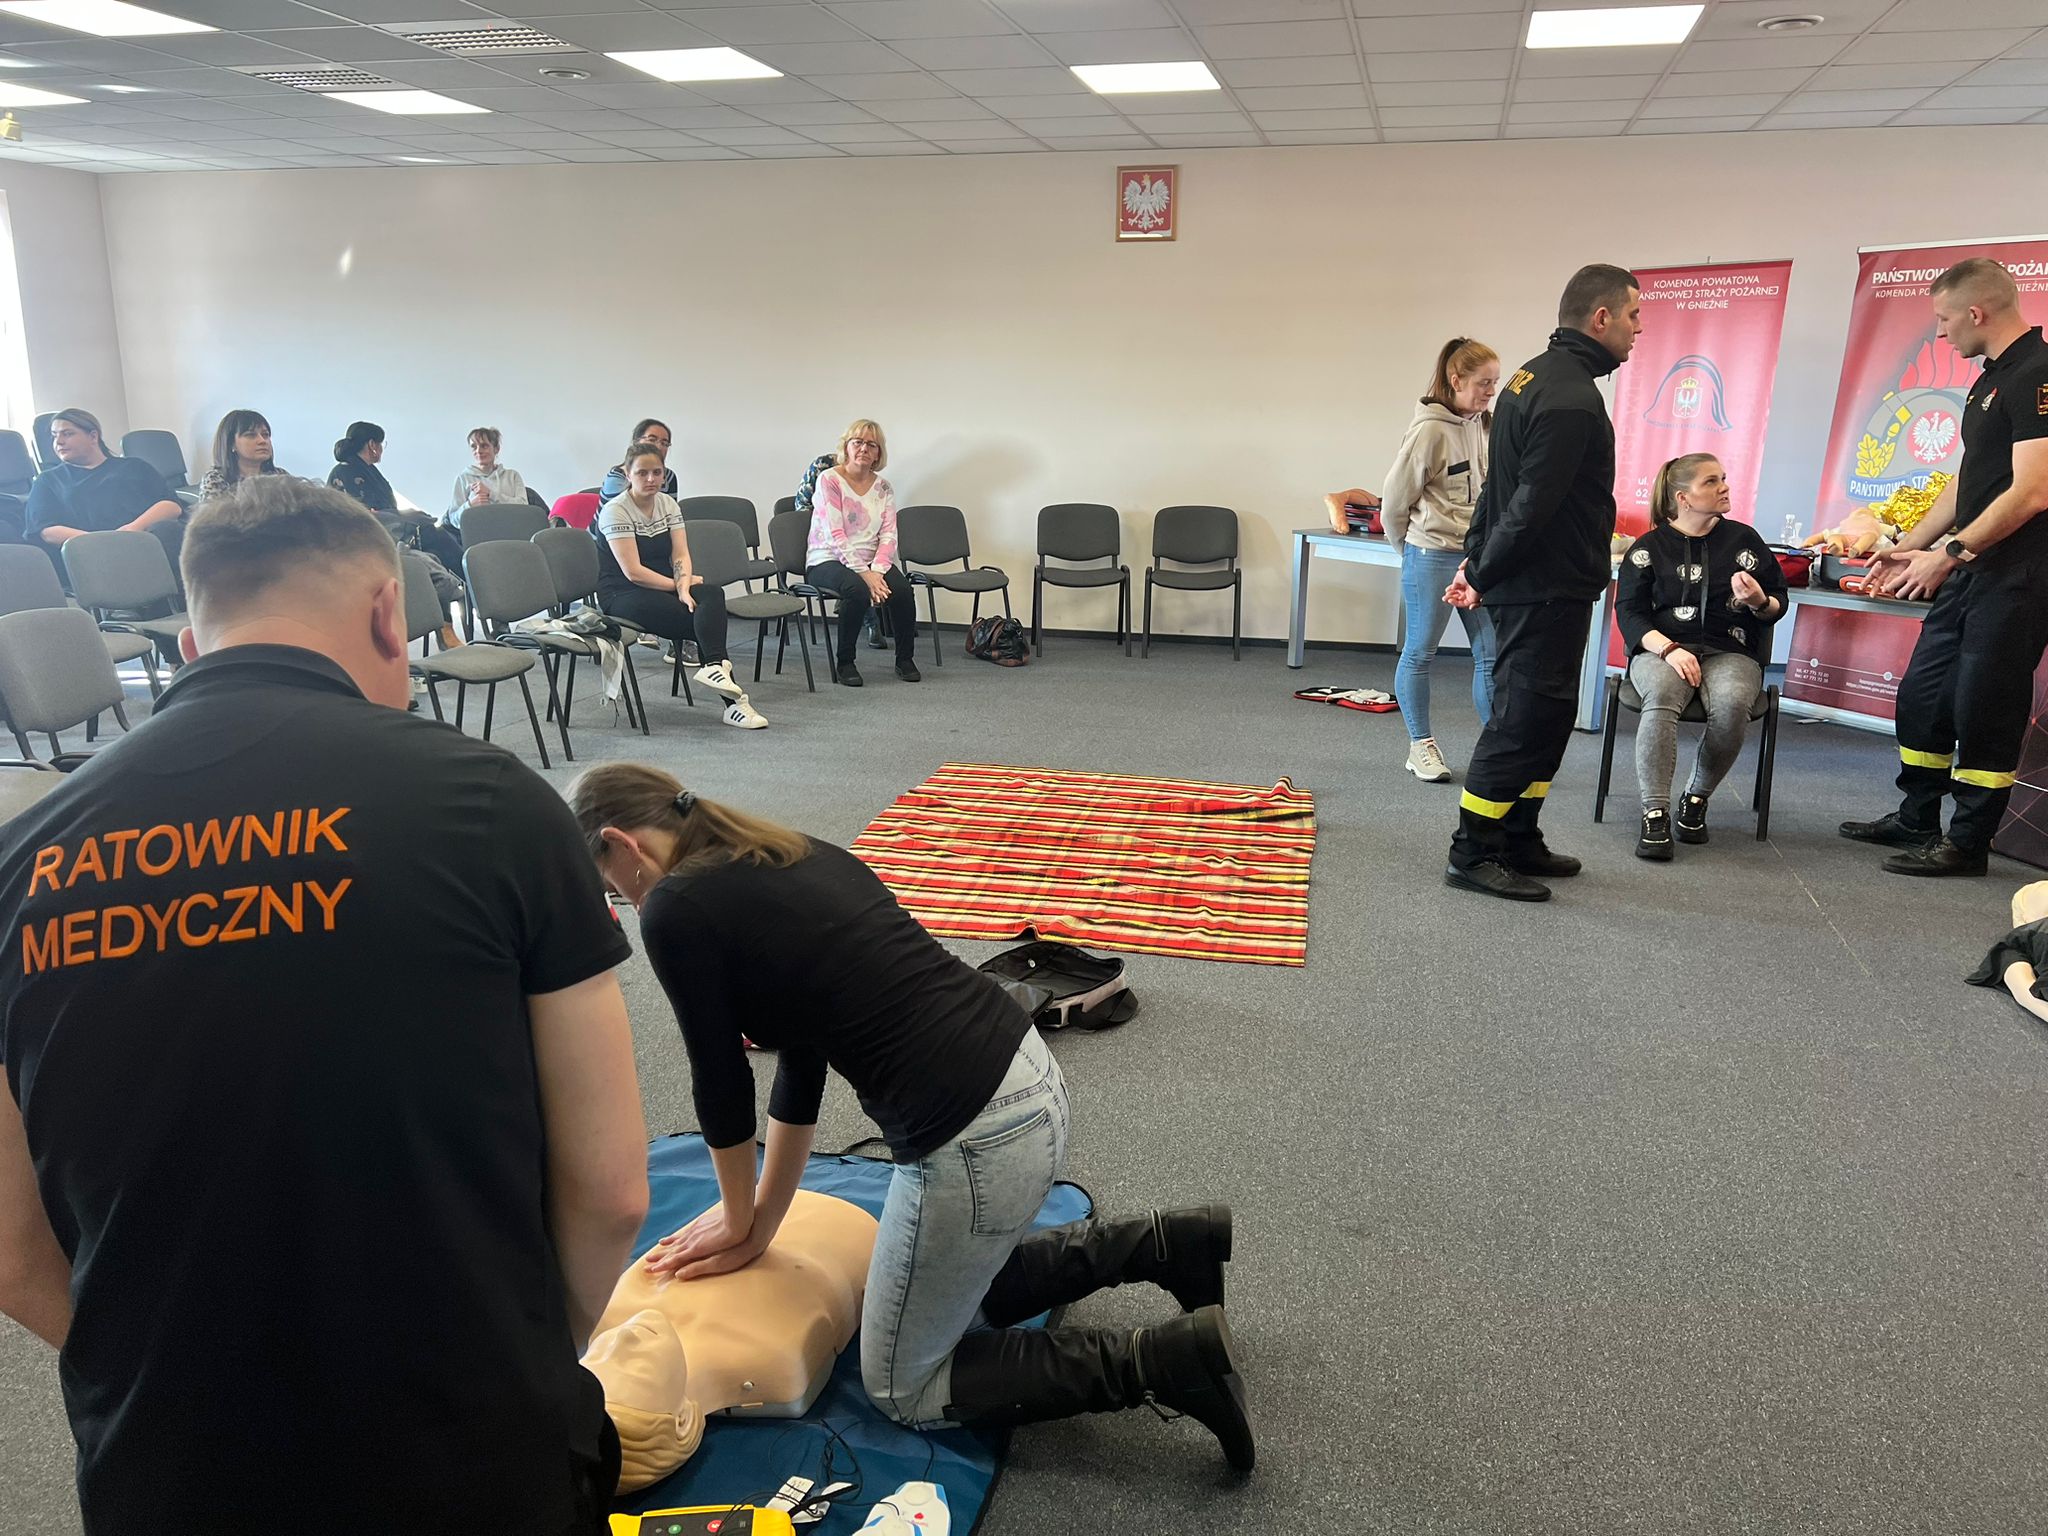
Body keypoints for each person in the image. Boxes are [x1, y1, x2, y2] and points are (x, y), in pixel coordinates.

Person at [0, 476, 649, 1535]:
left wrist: (166, 1380)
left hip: (169, 1465)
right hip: (460, 1445)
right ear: (389, 613)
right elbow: (612, 1188)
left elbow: (9, 1243)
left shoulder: (18, 859)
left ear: (194, 630)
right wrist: (536, 1357)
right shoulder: (492, 805)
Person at [568, 764, 1254, 1472]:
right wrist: (759, 1220)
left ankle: (1168, 1363)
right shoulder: (783, 850)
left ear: (622, 844)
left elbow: (720, 1082)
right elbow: (801, 1064)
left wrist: (739, 1220)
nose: (624, 900)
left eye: (613, 885)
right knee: (940, 1293)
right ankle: (1167, 1246)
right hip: (1029, 1082)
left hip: (977, 1141)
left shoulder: (674, 907)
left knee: (904, 1384)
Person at [1840, 258, 2048, 877]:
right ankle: (1917, 818)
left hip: (2019, 576)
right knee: (1924, 696)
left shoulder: (2038, 374)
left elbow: (2034, 490)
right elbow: (1968, 480)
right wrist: (1909, 544)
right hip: (1972, 568)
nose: (1939, 332)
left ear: (1976, 312)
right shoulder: (1991, 380)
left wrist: (1950, 555)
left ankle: (1967, 843)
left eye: (1944, 318)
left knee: (1985, 705)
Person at [1443, 264, 1643, 902]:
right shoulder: (1570, 396)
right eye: (1633, 315)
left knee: (1549, 718)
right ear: (1601, 318)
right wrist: (1481, 568)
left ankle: (1518, 836)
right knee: (1520, 721)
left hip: (1548, 585)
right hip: (1543, 588)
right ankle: (1473, 852)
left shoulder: (1533, 377)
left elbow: (1497, 488)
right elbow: (1530, 503)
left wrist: (1477, 558)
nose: (1639, 329)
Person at [1341, 338, 1500, 783]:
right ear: (1456, 380)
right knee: (1421, 651)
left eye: (1495, 382)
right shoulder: (1429, 431)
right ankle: (1420, 746)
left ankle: (1498, 749)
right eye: (1483, 383)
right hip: (1431, 553)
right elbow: (1394, 502)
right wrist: (1409, 552)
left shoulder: (1484, 425)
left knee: (1490, 653)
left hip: (1476, 557)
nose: (1491, 391)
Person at [1615, 454, 1786, 859]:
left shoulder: (1745, 540)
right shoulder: (1648, 548)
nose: (1724, 486)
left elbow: (1778, 601)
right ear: (1683, 498)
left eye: (1723, 478)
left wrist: (1759, 601)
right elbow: (1629, 613)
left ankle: (1695, 799)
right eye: (1711, 481)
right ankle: (1655, 813)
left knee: (1733, 702)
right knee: (1661, 694)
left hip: (1730, 649)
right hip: (1662, 649)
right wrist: (1669, 649)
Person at [593, 438, 766, 730]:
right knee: (701, 621)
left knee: (711, 594)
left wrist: (684, 585)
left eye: (657, 472)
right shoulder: (616, 510)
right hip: (623, 593)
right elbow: (634, 573)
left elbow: (681, 554)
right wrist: (678, 586)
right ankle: (735, 703)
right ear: (628, 474)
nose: (651, 479)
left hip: (665, 584)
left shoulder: (668, 504)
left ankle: (715, 668)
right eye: (642, 473)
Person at [804, 418, 921, 686]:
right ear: (846, 446)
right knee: (855, 590)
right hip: (827, 559)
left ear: (878, 453)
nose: (864, 449)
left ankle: (905, 659)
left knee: (902, 590)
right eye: (857, 442)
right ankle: (845, 662)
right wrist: (864, 574)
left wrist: (877, 571)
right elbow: (835, 534)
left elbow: (889, 534)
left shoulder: (884, 488)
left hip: (871, 563)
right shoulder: (829, 480)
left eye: (872, 444)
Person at [328, 421, 466, 642]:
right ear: (372, 445)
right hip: (369, 539)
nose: (381, 449)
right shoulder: (343, 472)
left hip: (394, 532)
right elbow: (358, 515)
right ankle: (473, 587)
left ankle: (446, 626)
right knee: (438, 536)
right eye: (381, 444)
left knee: (434, 557)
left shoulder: (371, 472)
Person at [22, 406, 184, 574]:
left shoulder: (135, 467)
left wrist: (133, 529)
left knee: (170, 530)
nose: (59, 442)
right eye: (54, 435)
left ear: (93, 436)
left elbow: (171, 505)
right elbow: (45, 530)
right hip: (88, 554)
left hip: (143, 543)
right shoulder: (48, 480)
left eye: (67, 434)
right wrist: (101, 543)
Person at [195, 408, 287, 501]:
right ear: (231, 444)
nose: (262, 441)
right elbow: (212, 511)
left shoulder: (280, 475)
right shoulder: (216, 479)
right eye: (251, 435)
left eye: (265, 435)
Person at [450, 426, 529, 524]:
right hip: (478, 532)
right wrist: (469, 506)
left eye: (484, 446)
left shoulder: (512, 476)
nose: (478, 451)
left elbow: (524, 508)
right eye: (474, 447)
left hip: (511, 530)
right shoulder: (463, 478)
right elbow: (453, 519)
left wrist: (490, 494)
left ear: (496, 449)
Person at [599, 418, 676, 502]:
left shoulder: (669, 477)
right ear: (636, 442)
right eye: (652, 440)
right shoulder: (616, 480)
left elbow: (671, 509)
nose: (659, 447)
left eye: (664, 443)